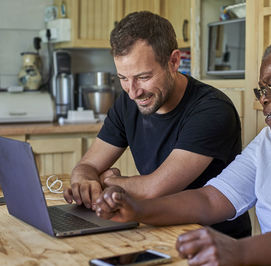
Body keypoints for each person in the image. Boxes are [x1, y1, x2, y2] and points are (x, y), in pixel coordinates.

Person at [94, 32, 271, 265]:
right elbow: (210, 200)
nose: (264, 100)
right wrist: (138, 209)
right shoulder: (268, 143)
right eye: (260, 90)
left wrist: (239, 251)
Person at [63, 11, 251, 239]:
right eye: (123, 78)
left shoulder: (212, 110)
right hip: (156, 229)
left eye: (143, 77)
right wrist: (83, 179)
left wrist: (106, 181)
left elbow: (154, 189)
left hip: (213, 241)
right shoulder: (128, 103)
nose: (133, 92)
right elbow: (87, 165)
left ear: (173, 61)